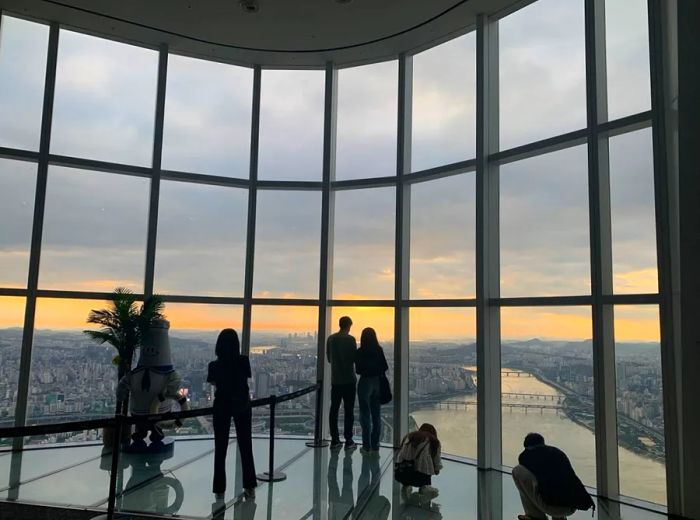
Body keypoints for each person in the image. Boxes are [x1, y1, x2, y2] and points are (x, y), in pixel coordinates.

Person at [207, 329, 257, 499]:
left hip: (221, 406)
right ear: (236, 345)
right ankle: (249, 487)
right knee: (246, 446)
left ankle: (219, 489)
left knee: (220, 448)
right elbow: (246, 379)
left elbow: (214, 383)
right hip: (242, 405)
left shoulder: (214, 365)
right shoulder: (243, 361)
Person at [512, 432, 595, 520]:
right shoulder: (558, 452)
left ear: (527, 446)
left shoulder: (526, 456)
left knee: (517, 471)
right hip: (572, 506)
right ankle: (559, 518)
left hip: (552, 508)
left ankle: (535, 516)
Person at [355, 327, 389, 454]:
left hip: (365, 383)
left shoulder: (360, 351)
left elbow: (358, 370)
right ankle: (375, 445)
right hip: (377, 383)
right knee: (376, 415)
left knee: (365, 415)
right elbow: (385, 366)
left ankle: (366, 446)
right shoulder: (379, 350)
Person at [326, 316, 358, 450]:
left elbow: (329, 359)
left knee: (334, 409)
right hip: (349, 380)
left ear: (340, 325)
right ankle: (349, 440)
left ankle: (335, 440)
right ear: (349, 326)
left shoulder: (331, 339)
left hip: (336, 380)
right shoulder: (351, 340)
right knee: (348, 410)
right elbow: (354, 358)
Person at [395, 423, 442, 502]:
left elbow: (400, 454)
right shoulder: (434, 441)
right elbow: (437, 460)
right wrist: (437, 470)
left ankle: (406, 486)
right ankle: (424, 488)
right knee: (426, 462)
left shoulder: (408, 436)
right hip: (421, 476)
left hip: (402, 473)